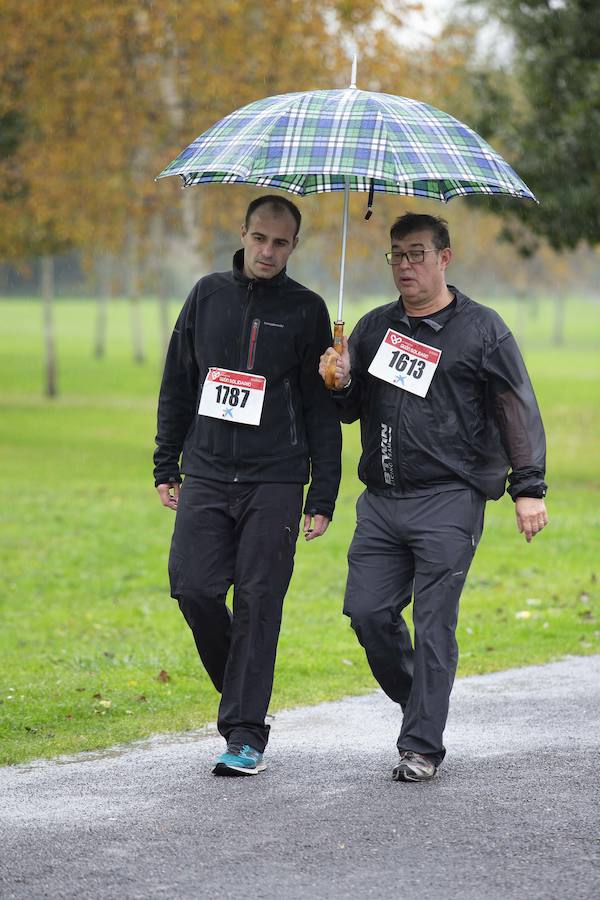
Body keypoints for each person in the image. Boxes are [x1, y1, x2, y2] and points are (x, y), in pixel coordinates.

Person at [320, 212, 548, 783]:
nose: (405, 265)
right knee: (367, 613)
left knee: (434, 620)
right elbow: (350, 412)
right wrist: (340, 379)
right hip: (381, 500)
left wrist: (528, 487)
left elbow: (515, 406)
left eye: (417, 254)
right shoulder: (372, 328)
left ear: (445, 258)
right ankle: (420, 700)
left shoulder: (481, 330)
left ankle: (421, 743)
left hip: (450, 499)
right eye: (396, 255)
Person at [154, 195, 341, 776]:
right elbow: (178, 382)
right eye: (259, 238)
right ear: (243, 234)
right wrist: (167, 462)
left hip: (276, 480)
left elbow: (318, 409)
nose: (268, 251)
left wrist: (323, 493)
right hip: (207, 471)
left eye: (280, 243)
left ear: (294, 247)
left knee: (259, 603)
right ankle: (244, 692)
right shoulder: (207, 295)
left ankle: (244, 733)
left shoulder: (308, 310)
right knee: (193, 588)